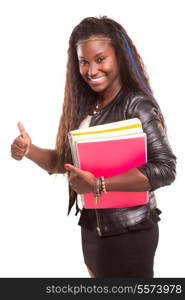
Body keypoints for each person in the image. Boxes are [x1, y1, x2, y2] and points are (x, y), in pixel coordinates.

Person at [11, 16, 176, 278]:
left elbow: (166, 168)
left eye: (100, 59)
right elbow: (63, 163)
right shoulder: (87, 109)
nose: (91, 70)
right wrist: (29, 150)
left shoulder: (135, 105)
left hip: (130, 233)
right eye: (84, 62)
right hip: (92, 231)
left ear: (119, 58)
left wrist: (99, 185)